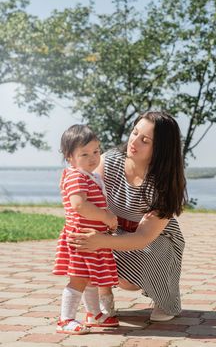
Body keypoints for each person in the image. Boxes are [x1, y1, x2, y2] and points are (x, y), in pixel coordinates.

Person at [68, 111, 187, 322]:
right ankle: (102, 300)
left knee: (150, 252)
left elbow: (143, 237)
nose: (134, 142)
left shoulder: (164, 183)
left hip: (154, 240)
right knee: (84, 245)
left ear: (160, 149)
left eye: (145, 140)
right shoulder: (110, 161)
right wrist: (89, 236)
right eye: (134, 133)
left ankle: (164, 299)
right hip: (113, 229)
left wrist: (102, 241)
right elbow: (82, 193)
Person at [53, 124, 119, 335]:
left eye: (96, 151)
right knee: (79, 278)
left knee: (91, 277)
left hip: (94, 238)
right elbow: (79, 205)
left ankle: (94, 314)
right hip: (81, 237)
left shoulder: (91, 175)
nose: (93, 157)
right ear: (69, 157)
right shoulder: (76, 176)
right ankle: (65, 319)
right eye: (84, 154)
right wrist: (106, 217)